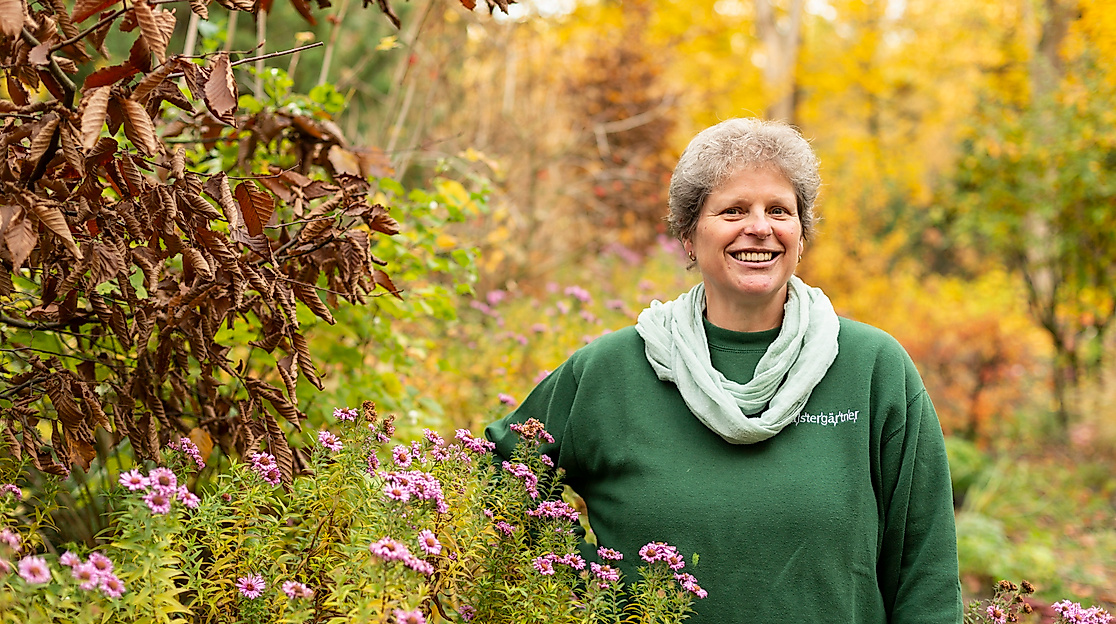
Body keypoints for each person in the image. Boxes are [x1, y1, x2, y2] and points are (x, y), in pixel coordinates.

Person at [485, 117, 963, 623]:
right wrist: (588, 589)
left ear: (801, 237)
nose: (760, 227)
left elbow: (925, 565)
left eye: (779, 210)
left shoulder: (873, 369)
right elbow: (496, 475)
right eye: (733, 209)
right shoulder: (610, 371)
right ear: (689, 237)